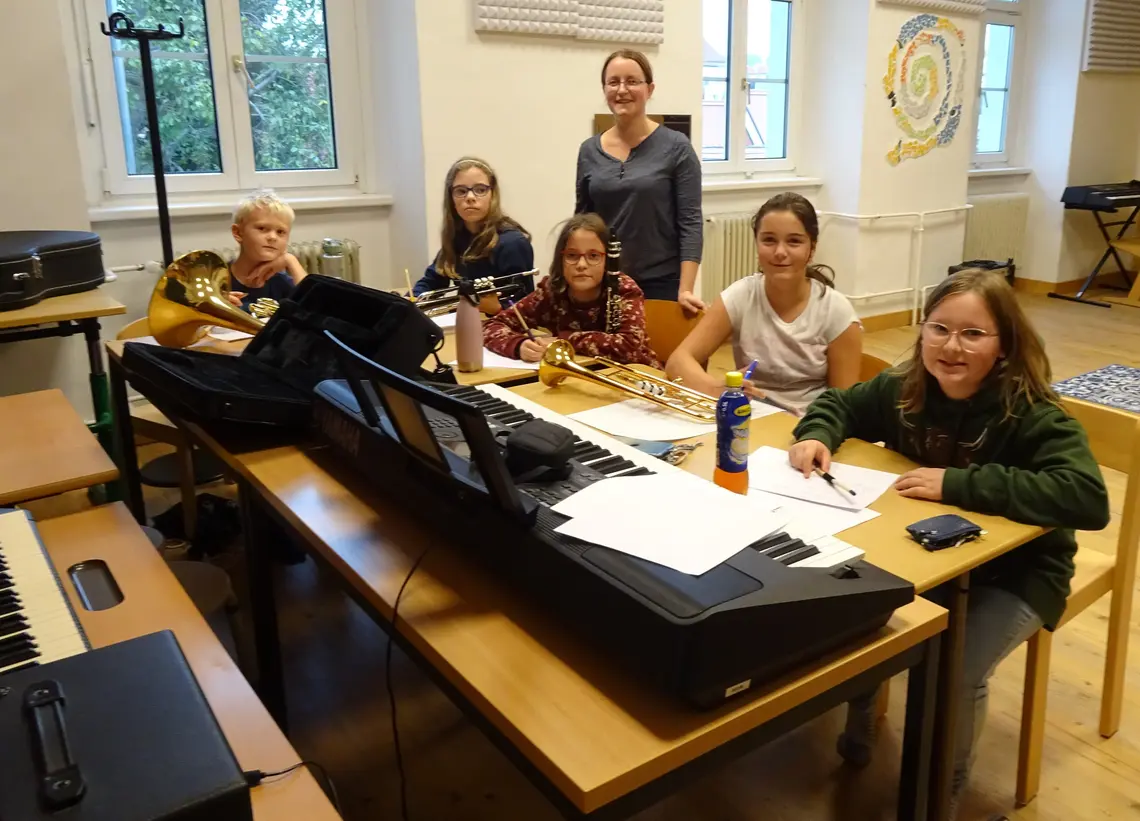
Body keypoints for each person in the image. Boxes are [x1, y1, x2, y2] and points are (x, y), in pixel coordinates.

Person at [788, 269, 1110, 819]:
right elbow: (840, 404)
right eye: (939, 329)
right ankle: (862, 720)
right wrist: (816, 433)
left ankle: (941, 797)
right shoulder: (905, 388)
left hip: (1017, 574)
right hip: (926, 556)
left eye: (973, 334)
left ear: (1004, 344)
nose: (951, 347)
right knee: (854, 616)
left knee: (954, 670)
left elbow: (1086, 496)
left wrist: (959, 483)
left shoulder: (1032, 412)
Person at [665, 192, 862, 414]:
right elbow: (678, 361)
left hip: (808, 425)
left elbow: (842, 407)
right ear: (757, 244)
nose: (780, 252)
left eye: (794, 241)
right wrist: (715, 388)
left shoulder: (836, 312)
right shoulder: (741, 296)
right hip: (749, 418)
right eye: (769, 240)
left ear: (811, 249)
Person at [576, 49, 704, 315]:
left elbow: (690, 223)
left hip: (661, 284)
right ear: (604, 89)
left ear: (650, 89)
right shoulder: (588, 150)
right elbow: (582, 222)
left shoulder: (677, 147)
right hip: (605, 283)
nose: (622, 90)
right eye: (613, 82)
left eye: (632, 81)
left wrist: (686, 289)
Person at [483, 213, 660, 367]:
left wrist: (563, 341)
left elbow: (629, 346)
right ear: (561, 259)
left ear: (608, 260)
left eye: (593, 256)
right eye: (572, 255)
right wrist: (518, 345)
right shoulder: (552, 290)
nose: (581, 264)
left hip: (636, 379)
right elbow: (491, 326)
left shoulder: (624, 290)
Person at [412, 157, 535, 305]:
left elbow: (525, 305)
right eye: (461, 191)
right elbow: (432, 281)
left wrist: (495, 308)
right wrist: (411, 299)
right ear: (451, 199)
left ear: (492, 195)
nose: (470, 197)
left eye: (480, 190)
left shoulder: (513, 243)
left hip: (500, 319)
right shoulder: (457, 238)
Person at [226, 189, 307, 311]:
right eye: (262, 228)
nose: (273, 237)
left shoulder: (281, 282)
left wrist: (290, 260)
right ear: (238, 232)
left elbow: (317, 308)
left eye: (280, 232)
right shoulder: (216, 281)